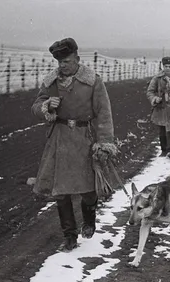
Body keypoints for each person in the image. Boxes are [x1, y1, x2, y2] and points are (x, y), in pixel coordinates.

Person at [31, 38, 117, 251]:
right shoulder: (51, 82)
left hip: (83, 139)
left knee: (88, 189)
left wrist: (104, 143)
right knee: (60, 191)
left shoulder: (92, 81)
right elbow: (35, 106)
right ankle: (69, 236)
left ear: (78, 59)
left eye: (67, 61)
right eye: (60, 62)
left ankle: (89, 220)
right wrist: (46, 105)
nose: (63, 66)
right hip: (58, 140)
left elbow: (104, 114)